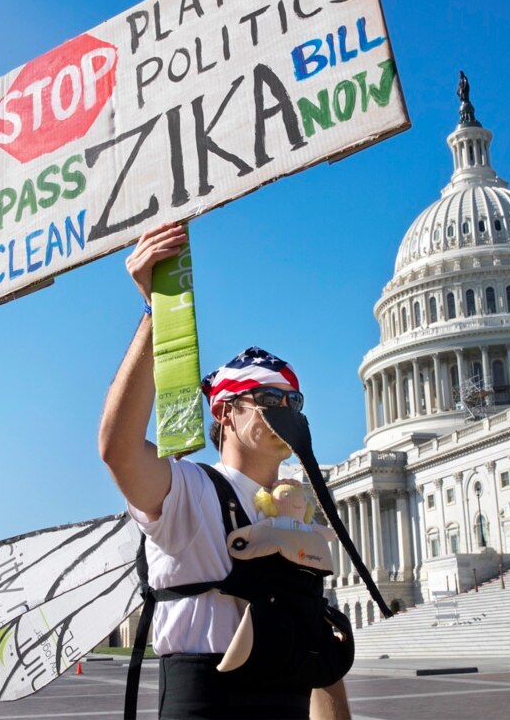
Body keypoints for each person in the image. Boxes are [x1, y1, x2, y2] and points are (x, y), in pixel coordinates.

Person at [98, 222, 351, 720]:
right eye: (267, 399)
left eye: (293, 401)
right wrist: (157, 312)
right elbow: (119, 449)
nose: (284, 410)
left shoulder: (300, 517)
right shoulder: (191, 490)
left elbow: (315, 645)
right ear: (224, 413)